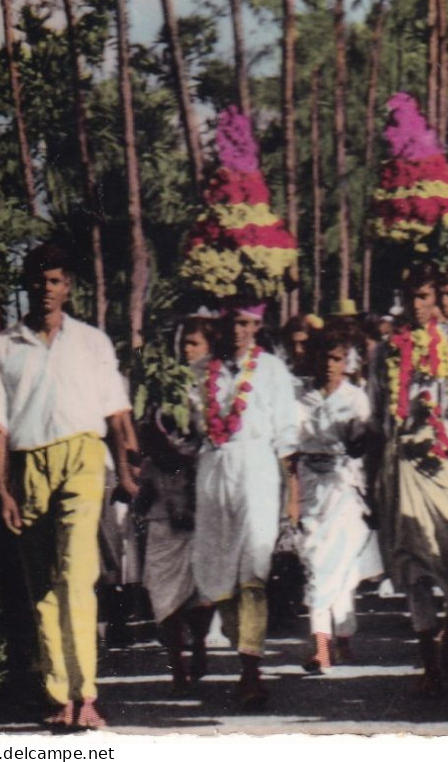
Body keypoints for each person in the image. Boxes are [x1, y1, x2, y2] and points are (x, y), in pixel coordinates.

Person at [0, 244, 138, 731]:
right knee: (42, 587)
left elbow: (117, 413)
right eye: (36, 281)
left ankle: (85, 695)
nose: (44, 289)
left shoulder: (92, 342)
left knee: (77, 575)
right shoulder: (0, 347)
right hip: (28, 465)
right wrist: (3, 488)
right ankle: (58, 696)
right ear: (24, 287)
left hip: (84, 457)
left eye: (54, 280)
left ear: (68, 286)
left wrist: (129, 473)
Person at [192, 303, 301, 709]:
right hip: (213, 469)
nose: (239, 331)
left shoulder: (271, 369)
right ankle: (242, 649)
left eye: (247, 323)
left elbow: (287, 432)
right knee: (217, 572)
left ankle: (251, 671)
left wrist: (293, 494)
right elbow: (187, 425)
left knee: (253, 568)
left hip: (257, 468)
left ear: (257, 325)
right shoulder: (202, 369)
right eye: (232, 322)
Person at [372, 265, 448, 697]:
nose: (418, 306)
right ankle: (428, 661)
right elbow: (379, 416)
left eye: (426, 298)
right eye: (412, 297)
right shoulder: (385, 352)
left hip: (443, 460)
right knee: (412, 564)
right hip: (402, 461)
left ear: (437, 302)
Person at [136, 317, 218, 697]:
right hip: (162, 501)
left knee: (201, 589)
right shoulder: (161, 388)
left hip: (199, 495)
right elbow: (145, 435)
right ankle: (177, 664)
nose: (188, 350)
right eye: (185, 343)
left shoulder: (214, 391)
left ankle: (199, 643)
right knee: (162, 586)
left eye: (196, 343)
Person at [293, 327, 383, 674]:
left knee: (339, 568)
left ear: (347, 362)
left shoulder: (355, 398)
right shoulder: (299, 398)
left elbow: (363, 446)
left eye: (337, 359)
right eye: (324, 358)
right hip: (309, 487)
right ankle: (323, 644)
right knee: (316, 563)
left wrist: (359, 435)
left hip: (344, 488)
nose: (330, 365)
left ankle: (337, 640)